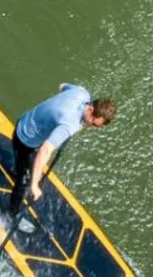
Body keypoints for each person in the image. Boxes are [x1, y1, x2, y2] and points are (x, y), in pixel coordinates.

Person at [9, 84, 116, 232]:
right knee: (24, 182)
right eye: (93, 124)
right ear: (91, 109)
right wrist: (34, 185)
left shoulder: (82, 93)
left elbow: (61, 87)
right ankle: (12, 214)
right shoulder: (68, 125)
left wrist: (59, 116)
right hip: (26, 140)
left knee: (22, 167)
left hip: (25, 119)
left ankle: (18, 170)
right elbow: (45, 150)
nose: (92, 127)